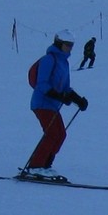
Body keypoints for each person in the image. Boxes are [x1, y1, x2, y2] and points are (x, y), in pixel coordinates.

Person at [23, 29, 88, 178]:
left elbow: (65, 87)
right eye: (67, 45)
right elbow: (42, 84)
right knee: (52, 134)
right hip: (41, 103)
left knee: (60, 135)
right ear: (59, 43)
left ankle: (45, 165)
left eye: (72, 45)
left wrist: (78, 100)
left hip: (52, 105)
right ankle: (35, 166)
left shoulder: (64, 62)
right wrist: (59, 97)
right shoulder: (48, 59)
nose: (70, 48)